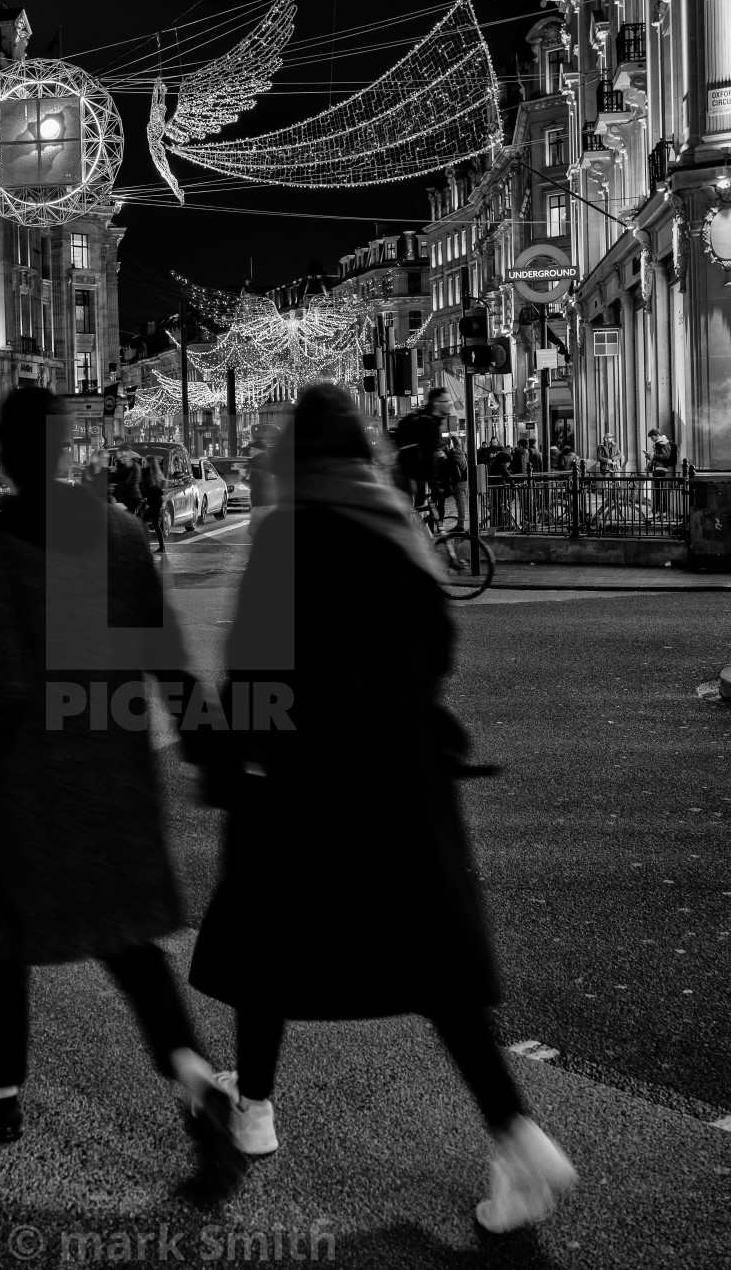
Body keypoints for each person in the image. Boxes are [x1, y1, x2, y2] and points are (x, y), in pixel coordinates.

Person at [187, 384, 577, 1228]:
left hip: (301, 786)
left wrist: (218, 748)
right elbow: (437, 654)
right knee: (434, 969)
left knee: (266, 937)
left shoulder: (286, 537)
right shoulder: (401, 533)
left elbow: (256, 682)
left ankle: (253, 1108)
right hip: (400, 787)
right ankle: (516, 1133)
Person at [0, 388, 240, 1192]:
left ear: (2, 453)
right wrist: (202, 741)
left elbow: (9, 685)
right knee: (128, 941)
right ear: (65, 447)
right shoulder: (119, 531)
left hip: (30, 780)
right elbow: (166, 648)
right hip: (118, 766)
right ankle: (195, 1078)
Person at [394, 387, 452, 508]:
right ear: (436, 403)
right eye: (445, 402)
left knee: (417, 510)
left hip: (408, 474)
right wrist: (435, 486)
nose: (449, 405)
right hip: (406, 476)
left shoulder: (424, 418)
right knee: (409, 514)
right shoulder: (428, 424)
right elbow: (427, 458)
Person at [142, 453, 166, 554]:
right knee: (155, 524)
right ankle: (162, 547)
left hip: (154, 502)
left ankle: (147, 545)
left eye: (145, 462)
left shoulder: (147, 473)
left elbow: (147, 489)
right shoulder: (158, 474)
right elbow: (160, 490)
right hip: (157, 501)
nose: (143, 464)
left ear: (149, 463)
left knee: (143, 521)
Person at [114, 449, 144, 515]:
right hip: (135, 495)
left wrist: (117, 490)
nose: (124, 460)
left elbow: (126, 482)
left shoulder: (132, 467)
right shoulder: (137, 466)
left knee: (127, 517)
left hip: (130, 496)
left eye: (125, 458)